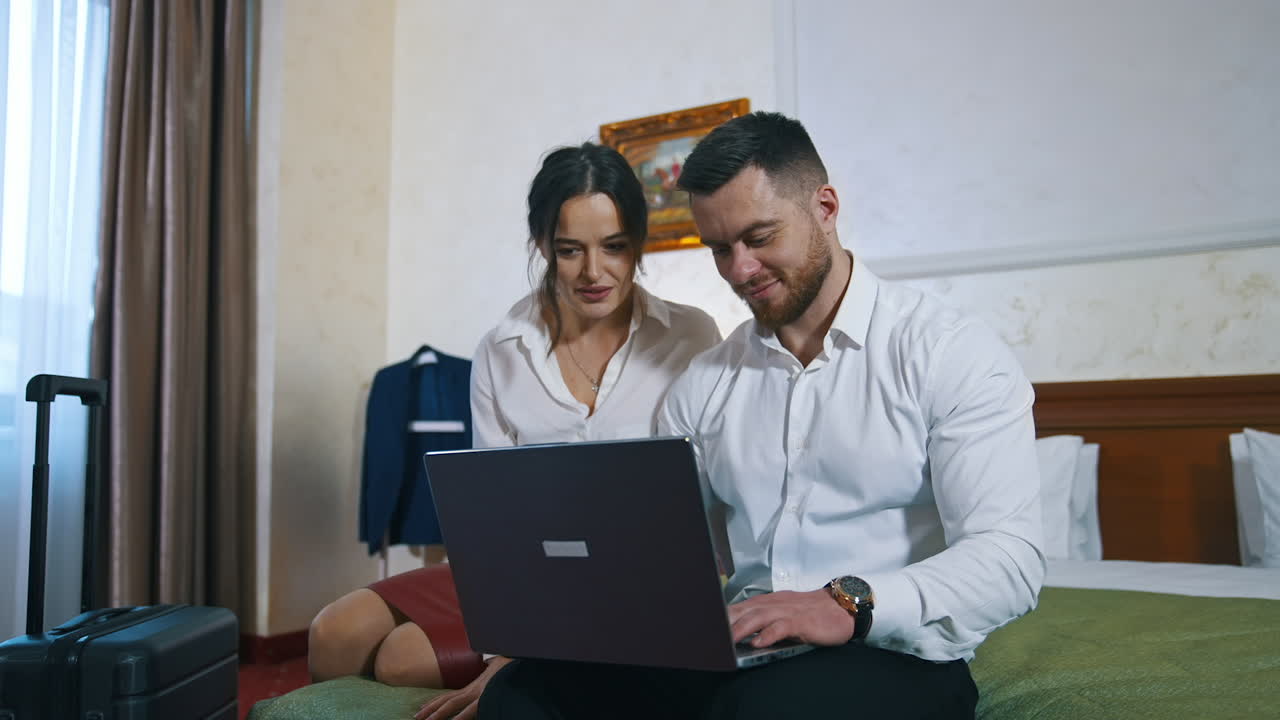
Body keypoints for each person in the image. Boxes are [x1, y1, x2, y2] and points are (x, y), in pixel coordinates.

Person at [477, 113, 1044, 719]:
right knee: (521, 695)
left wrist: (846, 603)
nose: (740, 270)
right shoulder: (704, 384)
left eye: (760, 237)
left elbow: (1010, 559)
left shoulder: (948, 352)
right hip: (740, 648)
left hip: (889, 649)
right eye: (721, 248)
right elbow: (656, 558)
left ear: (824, 207)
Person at [306, 142, 722, 720]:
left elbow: (708, 504)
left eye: (615, 248)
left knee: (402, 659)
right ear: (542, 244)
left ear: (640, 243)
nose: (594, 272)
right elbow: (492, 515)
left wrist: (519, 658)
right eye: (570, 250)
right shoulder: (501, 349)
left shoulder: (691, 338)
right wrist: (512, 636)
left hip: (630, 579)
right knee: (334, 632)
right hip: (519, 569)